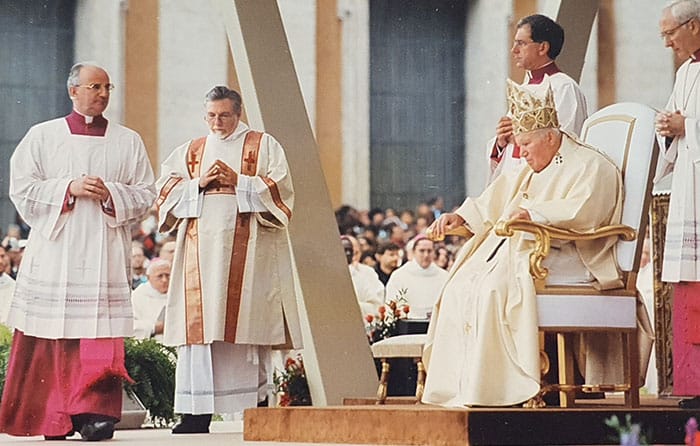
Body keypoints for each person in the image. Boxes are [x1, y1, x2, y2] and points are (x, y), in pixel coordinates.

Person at [421, 80, 623, 407]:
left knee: (491, 291)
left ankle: (504, 388)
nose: (522, 152)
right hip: (524, 251)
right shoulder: (532, 166)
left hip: (569, 255)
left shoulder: (591, 166)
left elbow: (587, 211)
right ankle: (464, 389)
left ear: (550, 137)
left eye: (526, 144)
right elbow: (494, 200)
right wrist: (460, 217)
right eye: (519, 145)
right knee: (459, 286)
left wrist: (535, 212)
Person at [0, 62, 156, 440]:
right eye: (94, 86)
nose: (102, 94)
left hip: (103, 249)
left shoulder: (127, 140)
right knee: (55, 330)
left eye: (107, 87)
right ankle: (53, 415)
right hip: (57, 247)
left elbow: (147, 192)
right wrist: (69, 188)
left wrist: (112, 194)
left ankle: (95, 413)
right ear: (73, 91)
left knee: (97, 334)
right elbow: (21, 188)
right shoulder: (43, 135)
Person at [156, 86, 302, 434]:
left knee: (245, 326)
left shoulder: (262, 145)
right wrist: (199, 184)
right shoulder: (192, 150)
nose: (217, 122)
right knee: (201, 332)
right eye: (210, 116)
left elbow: (282, 189)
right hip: (199, 257)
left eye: (224, 115)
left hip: (248, 255)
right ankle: (196, 413)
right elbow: (165, 190)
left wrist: (240, 181)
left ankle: (257, 409)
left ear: (238, 112)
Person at [655, 0, 700, 409]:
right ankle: (692, 386)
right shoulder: (686, 72)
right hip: (691, 191)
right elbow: (674, 126)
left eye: (671, 33)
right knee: (689, 287)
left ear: (696, 27)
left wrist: (689, 126)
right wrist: (668, 127)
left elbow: (691, 124)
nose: (668, 43)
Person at [487, 14, 588, 183]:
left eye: (521, 43)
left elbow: (567, 146)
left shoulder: (564, 88)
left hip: (543, 184)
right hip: (513, 181)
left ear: (543, 48)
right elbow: (510, 149)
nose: (514, 50)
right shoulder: (524, 89)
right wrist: (501, 142)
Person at [385, 235, 448, 319]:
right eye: (422, 251)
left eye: (429, 251)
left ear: (434, 253)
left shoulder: (444, 276)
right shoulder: (399, 275)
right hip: (408, 325)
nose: (426, 255)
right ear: (414, 252)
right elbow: (392, 303)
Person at [341, 235, 384, 317]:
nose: (352, 256)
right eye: (345, 251)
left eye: (355, 252)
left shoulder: (368, 273)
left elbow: (377, 307)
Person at [131, 258, 171, 340]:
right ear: (149, 278)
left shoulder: (178, 293)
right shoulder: (138, 296)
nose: (164, 280)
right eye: (160, 276)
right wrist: (154, 328)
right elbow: (130, 325)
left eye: (167, 275)